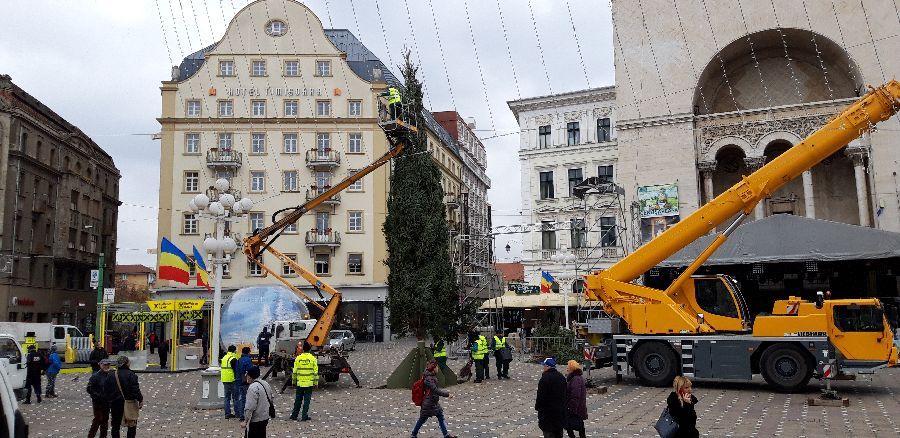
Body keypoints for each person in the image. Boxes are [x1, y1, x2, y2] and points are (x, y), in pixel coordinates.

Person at [411, 360, 458, 438]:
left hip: (433, 402)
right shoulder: (429, 379)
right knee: (422, 419)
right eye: (437, 367)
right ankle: (413, 435)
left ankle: (446, 435)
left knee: (440, 417)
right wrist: (447, 394)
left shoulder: (430, 376)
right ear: (433, 368)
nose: (438, 369)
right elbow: (435, 390)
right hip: (429, 403)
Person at [110, 356, 142, 438]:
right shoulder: (131, 375)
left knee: (115, 425)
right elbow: (135, 390)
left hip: (115, 403)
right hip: (129, 403)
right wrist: (140, 399)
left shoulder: (112, 374)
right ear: (126, 363)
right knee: (132, 424)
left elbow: (106, 389)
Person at [535, 357, 567, 438]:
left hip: (548, 415)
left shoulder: (545, 379)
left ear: (548, 366)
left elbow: (541, 397)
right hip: (559, 414)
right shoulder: (561, 377)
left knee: (549, 434)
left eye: (544, 366)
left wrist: (538, 408)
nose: (543, 367)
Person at [241, 366, 273, 438]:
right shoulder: (265, 383)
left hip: (256, 420)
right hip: (265, 417)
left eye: (247, 376)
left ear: (250, 377)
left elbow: (250, 407)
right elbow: (271, 398)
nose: (246, 377)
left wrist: (245, 421)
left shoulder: (252, 387)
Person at [289, 341, 318, 421]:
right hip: (309, 383)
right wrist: (315, 383)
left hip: (300, 383)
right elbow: (315, 372)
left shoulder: (298, 358)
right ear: (309, 349)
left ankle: (294, 415)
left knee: (298, 400)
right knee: (306, 401)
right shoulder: (313, 359)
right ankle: (304, 416)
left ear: (303, 349)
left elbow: (294, 372)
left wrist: (293, 382)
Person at [87, 358, 114, 438]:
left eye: (108, 364)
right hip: (98, 402)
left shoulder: (111, 375)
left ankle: (103, 436)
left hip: (107, 402)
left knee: (105, 420)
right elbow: (89, 388)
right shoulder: (95, 376)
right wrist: (98, 396)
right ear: (100, 364)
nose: (106, 366)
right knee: (98, 419)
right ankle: (90, 436)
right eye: (105, 364)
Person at [564, 360, 588, 438]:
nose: (567, 369)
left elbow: (575, 395)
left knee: (571, 425)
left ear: (572, 368)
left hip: (576, 409)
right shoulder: (576, 378)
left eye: (568, 367)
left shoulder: (576, 379)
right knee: (576, 426)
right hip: (577, 408)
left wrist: (570, 408)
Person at [221, 345, 239, 419]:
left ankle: (227, 414)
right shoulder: (233, 359)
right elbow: (236, 370)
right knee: (235, 398)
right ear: (234, 351)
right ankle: (237, 413)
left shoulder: (224, 358)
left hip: (225, 379)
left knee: (227, 398)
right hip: (232, 380)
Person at [236, 346, 254, 422]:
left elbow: (236, 370)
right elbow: (250, 371)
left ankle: (241, 415)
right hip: (246, 382)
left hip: (239, 381)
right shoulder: (248, 360)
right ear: (248, 352)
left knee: (241, 399)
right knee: (247, 399)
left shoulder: (239, 360)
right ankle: (246, 415)